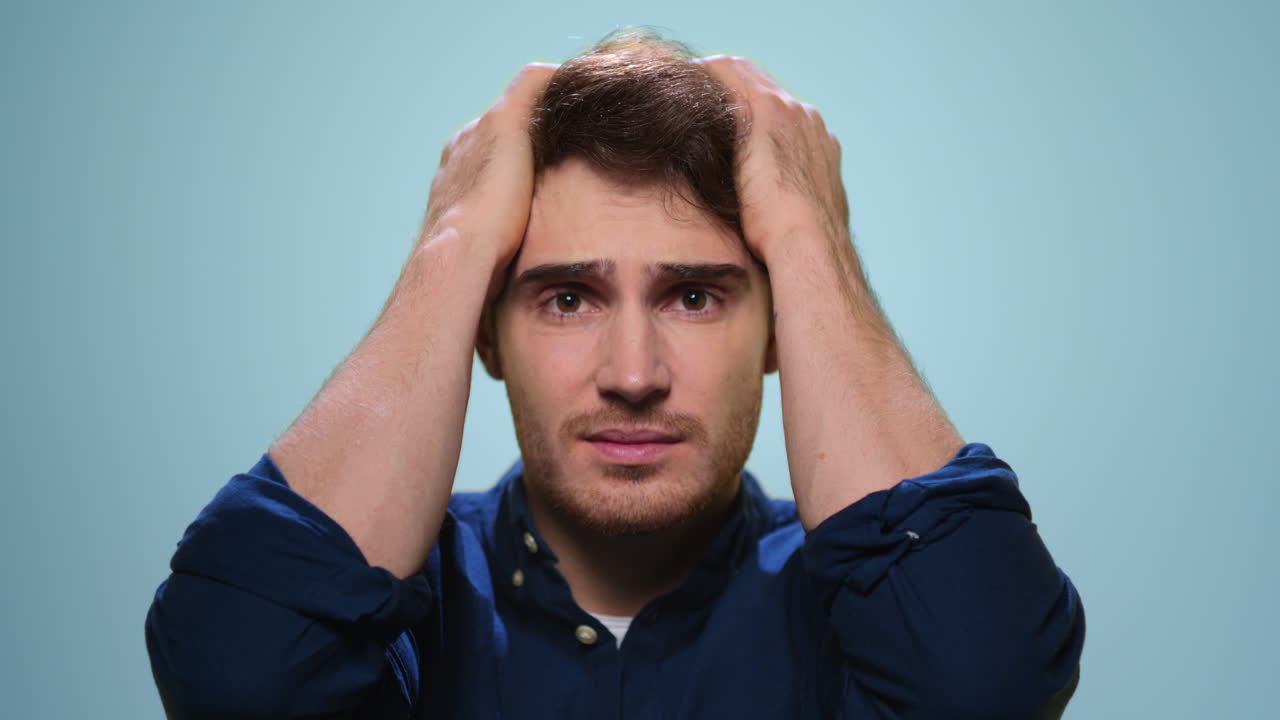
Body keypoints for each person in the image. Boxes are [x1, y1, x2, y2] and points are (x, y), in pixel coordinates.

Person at [145, 31, 1084, 719]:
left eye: (694, 297)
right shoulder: (395, 605)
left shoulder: (860, 619)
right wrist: (458, 240)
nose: (633, 375)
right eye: (565, 299)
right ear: (483, 336)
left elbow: (988, 683)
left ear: (779, 332)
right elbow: (238, 678)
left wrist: (805, 233)